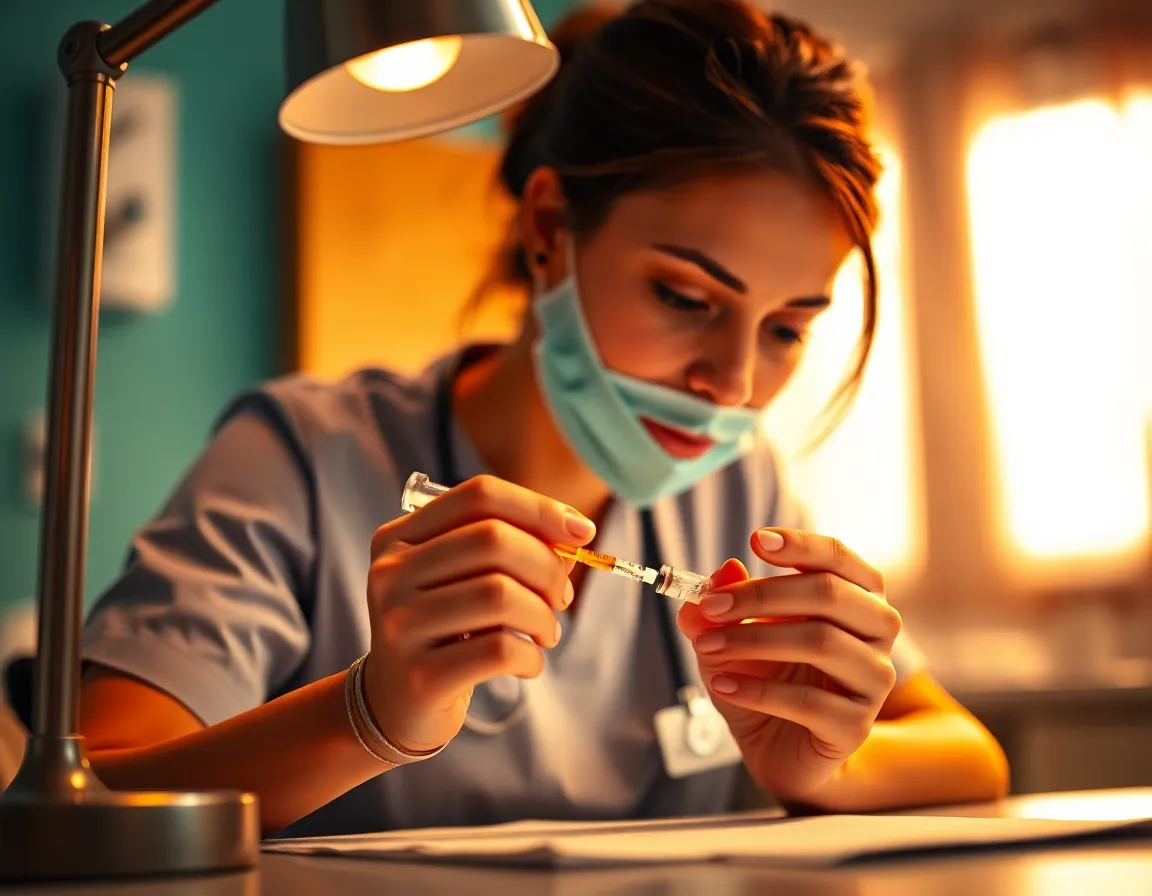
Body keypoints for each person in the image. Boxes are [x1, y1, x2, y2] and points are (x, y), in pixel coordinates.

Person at [72, 0, 1008, 837]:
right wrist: (370, 715)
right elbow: (89, 807)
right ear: (551, 227)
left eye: (788, 328)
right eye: (685, 296)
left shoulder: (739, 486)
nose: (731, 382)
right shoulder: (302, 457)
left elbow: (967, 753)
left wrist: (830, 767)